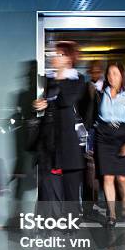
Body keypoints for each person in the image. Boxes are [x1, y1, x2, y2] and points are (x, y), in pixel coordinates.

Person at [32, 41, 86, 220]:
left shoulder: (76, 79)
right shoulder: (51, 79)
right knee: (48, 184)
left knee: (71, 186)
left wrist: (59, 79)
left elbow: (66, 100)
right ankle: (48, 221)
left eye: (59, 54)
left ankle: (71, 222)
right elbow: (50, 105)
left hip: (69, 140)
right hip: (50, 140)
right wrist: (41, 105)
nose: (54, 57)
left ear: (69, 58)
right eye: (54, 54)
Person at [87, 62, 125, 228]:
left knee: (122, 178)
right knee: (108, 176)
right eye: (109, 73)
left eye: (115, 74)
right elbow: (93, 117)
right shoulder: (99, 93)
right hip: (103, 138)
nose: (112, 77)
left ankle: (124, 199)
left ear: (122, 76)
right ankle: (111, 214)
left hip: (122, 136)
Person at [80, 60, 105, 219]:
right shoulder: (84, 88)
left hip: (103, 133)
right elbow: (82, 110)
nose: (94, 73)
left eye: (97, 70)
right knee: (89, 169)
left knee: (101, 170)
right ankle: (89, 206)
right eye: (92, 70)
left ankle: (102, 202)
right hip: (89, 132)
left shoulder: (108, 88)